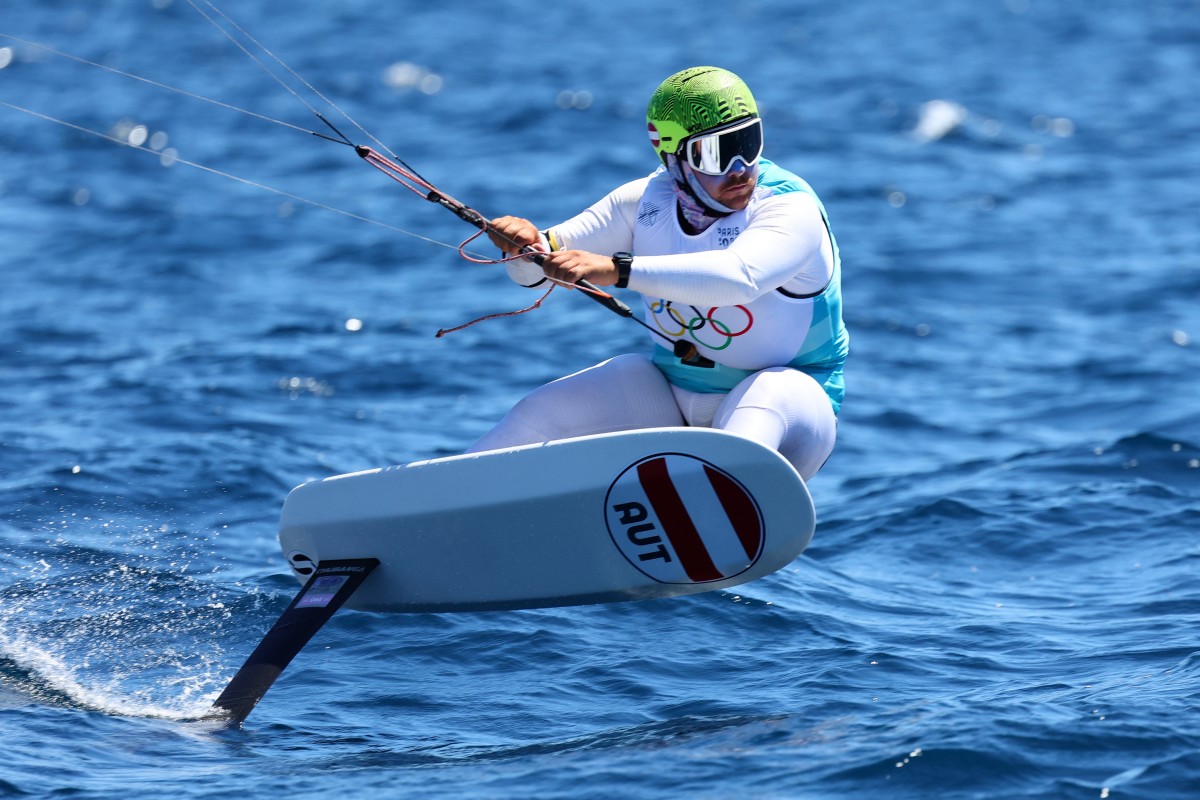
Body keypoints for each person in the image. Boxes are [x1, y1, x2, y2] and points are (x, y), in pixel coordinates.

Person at [467, 66, 848, 481]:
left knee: (768, 396)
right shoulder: (642, 203)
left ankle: (723, 498)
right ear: (674, 158)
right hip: (670, 395)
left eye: (748, 142)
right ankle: (437, 500)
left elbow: (738, 277)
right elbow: (534, 274)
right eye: (716, 153)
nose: (741, 168)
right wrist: (523, 248)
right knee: (544, 410)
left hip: (790, 409)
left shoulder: (791, 208)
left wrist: (617, 271)